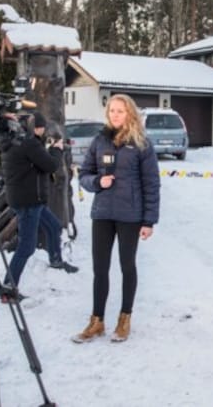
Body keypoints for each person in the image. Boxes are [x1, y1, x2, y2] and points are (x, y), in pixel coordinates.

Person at [72, 94, 160, 344]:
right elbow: (84, 175)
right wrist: (97, 182)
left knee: (127, 266)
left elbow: (151, 184)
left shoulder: (141, 144)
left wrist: (148, 221)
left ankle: (124, 319)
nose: (115, 115)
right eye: (112, 111)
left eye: (120, 111)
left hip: (129, 216)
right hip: (102, 213)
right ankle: (97, 321)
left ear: (130, 113)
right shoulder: (100, 140)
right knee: (100, 269)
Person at [1, 111, 78, 293]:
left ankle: (56, 260)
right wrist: (57, 149)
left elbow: (36, 161)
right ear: (35, 128)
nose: (43, 130)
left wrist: (48, 148)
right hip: (29, 201)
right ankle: (8, 285)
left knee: (54, 226)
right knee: (27, 247)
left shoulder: (17, 142)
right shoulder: (29, 144)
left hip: (29, 199)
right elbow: (50, 165)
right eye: (40, 127)